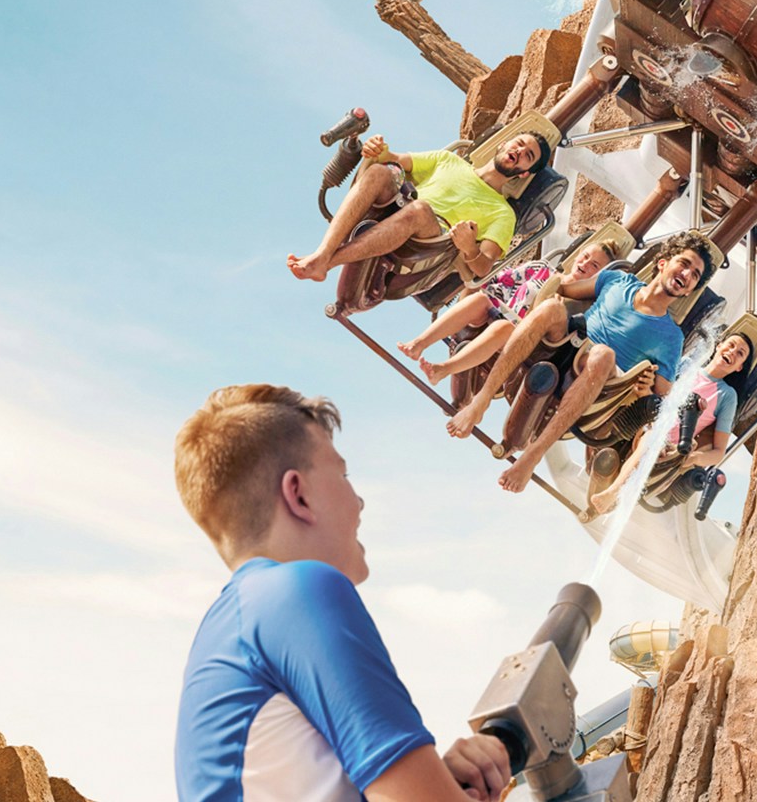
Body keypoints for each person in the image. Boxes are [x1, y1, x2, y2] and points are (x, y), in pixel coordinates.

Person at [173, 384, 511, 802]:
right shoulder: (299, 591)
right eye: (344, 474)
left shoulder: (227, 628)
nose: (360, 501)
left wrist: (438, 780)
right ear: (298, 494)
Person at [446, 231, 717, 493]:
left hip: (599, 376)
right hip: (566, 342)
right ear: (663, 263)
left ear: (690, 290)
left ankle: (532, 456)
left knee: (603, 354)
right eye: (684, 264)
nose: (686, 275)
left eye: (694, 276)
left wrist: (647, 384)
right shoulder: (618, 281)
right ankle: (480, 401)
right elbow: (565, 287)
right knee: (552, 308)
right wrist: (552, 286)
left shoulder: (671, 337)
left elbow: (664, 391)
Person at [287, 128, 551, 283]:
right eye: (519, 143)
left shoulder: (503, 214)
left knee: (421, 210)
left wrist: (470, 247)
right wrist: (376, 148)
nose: (519, 152)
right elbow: (393, 159)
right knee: (380, 171)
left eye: (528, 156)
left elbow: (483, 269)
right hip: (400, 206)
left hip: (430, 245)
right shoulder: (449, 160)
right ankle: (322, 254)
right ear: (504, 143)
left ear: (524, 173)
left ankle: (328, 262)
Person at [396, 237, 617, 386]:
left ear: (599, 277)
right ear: (577, 254)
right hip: (500, 311)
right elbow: (499, 283)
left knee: (504, 328)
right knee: (480, 299)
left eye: (595, 265)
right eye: (586, 256)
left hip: (525, 341)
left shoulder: (583, 305)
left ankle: (443, 369)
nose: (586, 263)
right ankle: (419, 343)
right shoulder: (541, 269)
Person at [582, 330, 749, 519]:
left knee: (654, 438)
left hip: (669, 446)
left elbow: (718, 453)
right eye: (731, 345)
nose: (733, 352)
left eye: (740, 353)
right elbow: (657, 398)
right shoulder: (686, 366)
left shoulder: (727, 396)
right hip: (644, 420)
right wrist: (644, 388)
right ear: (718, 345)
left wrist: (691, 458)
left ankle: (612, 493)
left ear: (739, 368)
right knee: (650, 429)